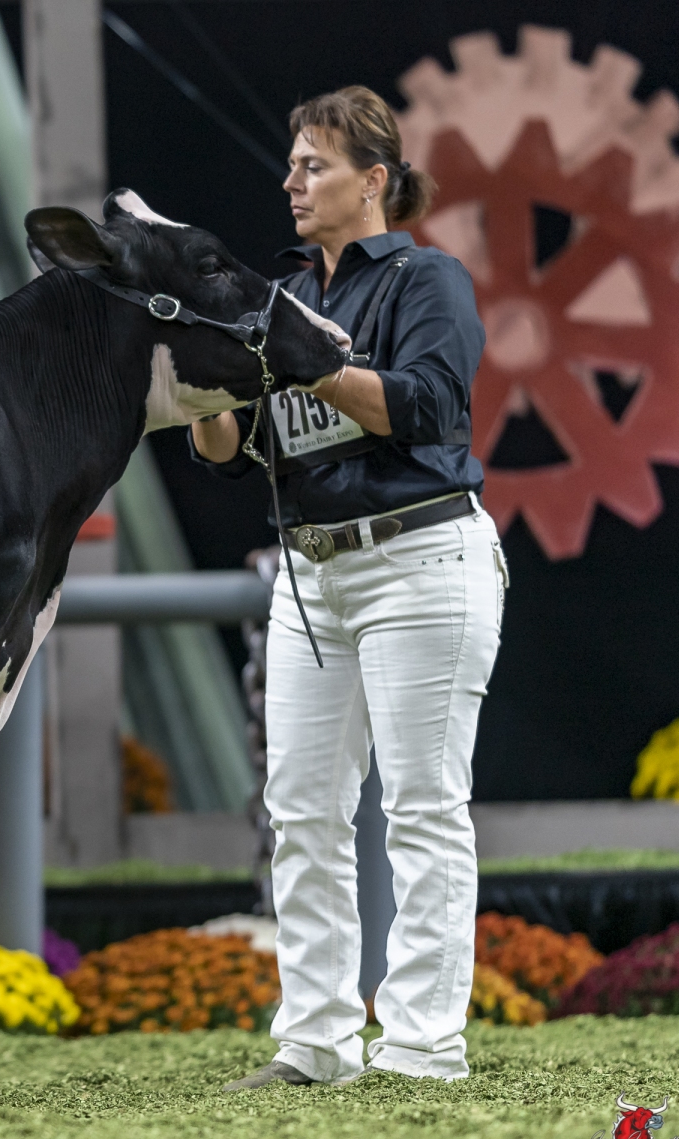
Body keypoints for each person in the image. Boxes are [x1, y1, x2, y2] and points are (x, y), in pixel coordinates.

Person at [194, 86, 505, 1088]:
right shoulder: (284, 299)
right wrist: (205, 384)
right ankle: (317, 1043)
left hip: (421, 556)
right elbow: (234, 454)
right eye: (291, 164)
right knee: (302, 813)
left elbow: (428, 407)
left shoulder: (426, 278)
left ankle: (422, 1047)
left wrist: (305, 362)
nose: (291, 181)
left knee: (422, 809)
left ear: (373, 180)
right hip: (311, 571)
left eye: (314, 165)